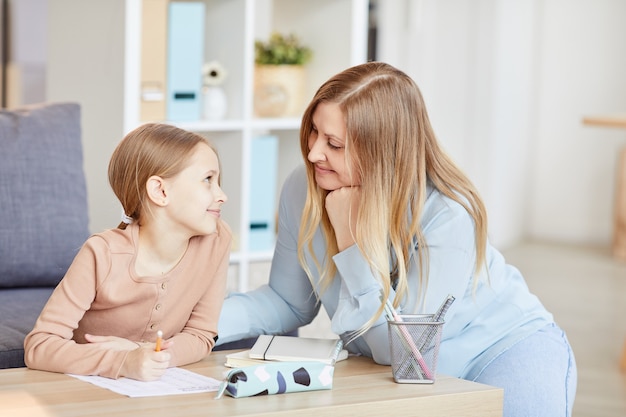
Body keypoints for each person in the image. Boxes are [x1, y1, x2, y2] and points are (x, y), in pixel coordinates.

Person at [217, 62, 577, 416]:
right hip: (398, 372)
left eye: (334, 144)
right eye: (313, 132)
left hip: (498, 348)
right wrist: (194, 324)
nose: (313, 152)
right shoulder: (304, 186)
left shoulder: (447, 213)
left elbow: (408, 351)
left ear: (382, 152)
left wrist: (349, 242)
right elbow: (287, 301)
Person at [24, 123, 231, 381]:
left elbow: (201, 335)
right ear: (160, 191)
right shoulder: (102, 253)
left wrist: (142, 354)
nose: (222, 195)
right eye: (208, 180)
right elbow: (40, 346)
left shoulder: (218, 240)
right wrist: (122, 362)